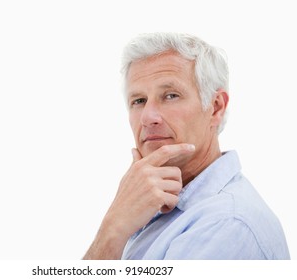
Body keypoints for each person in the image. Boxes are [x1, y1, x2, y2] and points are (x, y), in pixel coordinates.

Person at [83, 32, 290, 260]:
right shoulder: (152, 205)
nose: (148, 117)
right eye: (139, 101)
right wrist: (117, 222)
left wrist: (113, 230)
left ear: (215, 108)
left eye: (170, 95)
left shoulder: (225, 225)